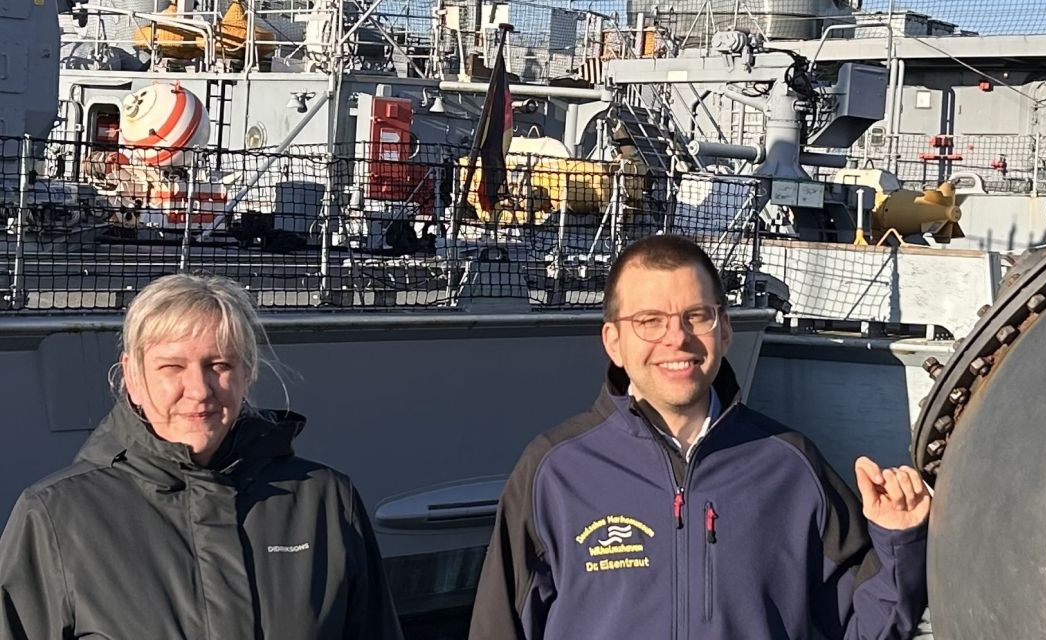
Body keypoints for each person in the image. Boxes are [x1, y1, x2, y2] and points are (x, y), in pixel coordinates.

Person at [469, 235, 929, 639]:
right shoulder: (555, 470)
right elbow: (500, 627)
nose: (678, 338)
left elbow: (866, 629)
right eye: (650, 320)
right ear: (613, 342)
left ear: (724, 329)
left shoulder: (792, 466)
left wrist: (898, 539)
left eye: (697, 316)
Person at [0, 274, 403, 639]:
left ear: (247, 373)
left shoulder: (325, 502)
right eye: (172, 367)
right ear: (133, 378)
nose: (199, 389)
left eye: (219, 365)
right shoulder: (56, 515)